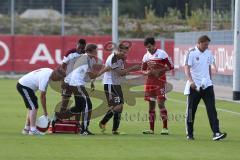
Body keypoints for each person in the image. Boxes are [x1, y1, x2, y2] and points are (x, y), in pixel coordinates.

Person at [184, 35, 227, 141]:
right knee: (191, 111)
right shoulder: (192, 53)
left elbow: (208, 67)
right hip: (194, 87)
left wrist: (210, 80)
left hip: (207, 86)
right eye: (205, 44)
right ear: (199, 43)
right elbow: (186, 68)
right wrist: (191, 81)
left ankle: (216, 132)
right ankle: (190, 133)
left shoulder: (208, 53)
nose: (206, 46)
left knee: (212, 109)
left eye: (208, 44)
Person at [56, 44, 100, 135]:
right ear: (90, 51)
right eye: (96, 50)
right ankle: (84, 130)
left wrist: (92, 82)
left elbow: (87, 75)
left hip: (75, 83)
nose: (97, 52)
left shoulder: (88, 58)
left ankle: (58, 116)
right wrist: (105, 70)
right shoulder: (85, 59)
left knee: (79, 107)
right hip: (77, 84)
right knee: (88, 105)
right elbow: (91, 75)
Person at [99, 43, 140, 135]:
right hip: (110, 84)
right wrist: (133, 68)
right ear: (119, 51)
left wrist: (127, 73)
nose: (125, 55)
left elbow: (122, 73)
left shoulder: (120, 59)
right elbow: (120, 73)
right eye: (124, 53)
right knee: (117, 106)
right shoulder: (112, 58)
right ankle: (103, 122)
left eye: (126, 53)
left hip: (116, 84)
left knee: (119, 107)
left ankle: (114, 130)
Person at [141, 37, 174, 135]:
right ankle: (151, 129)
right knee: (151, 106)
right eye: (147, 48)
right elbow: (142, 69)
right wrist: (147, 72)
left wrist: (158, 71)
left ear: (154, 45)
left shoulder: (162, 53)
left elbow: (171, 66)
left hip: (160, 82)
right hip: (150, 83)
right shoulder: (146, 56)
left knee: (160, 104)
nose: (148, 49)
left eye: (150, 47)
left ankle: (165, 128)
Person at [17, 68, 54, 135]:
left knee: (32, 107)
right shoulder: (46, 78)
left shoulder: (50, 72)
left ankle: (26, 129)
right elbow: (42, 96)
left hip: (24, 86)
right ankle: (33, 130)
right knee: (33, 107)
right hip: (24, 86)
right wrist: (45, 112)